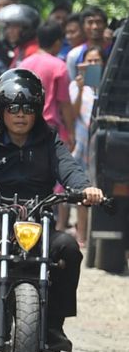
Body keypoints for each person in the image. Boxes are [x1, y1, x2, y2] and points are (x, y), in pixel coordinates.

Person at [0, 68, 104, 352]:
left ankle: (54, 324)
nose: (20, 114)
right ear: (2, 110)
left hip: (36, 221)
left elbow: (69, 168)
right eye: (13, 108)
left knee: (68, 248)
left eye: (27, 108)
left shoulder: (50, 139)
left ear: (37, 110)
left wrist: (85, 188)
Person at [19, 21, 76, 150]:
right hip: (48, 129)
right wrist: (71, 132)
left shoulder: (24, 64)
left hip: (25, 126)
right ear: (57, 43)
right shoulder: (59, 66)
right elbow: (64, 103)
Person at [69, 46, 105, 247]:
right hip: (82, 144)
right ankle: (81, 235)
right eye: (89, 61)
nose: (92, 65)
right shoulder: (76, 86)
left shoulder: (107, 86)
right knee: (82, 191)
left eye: (96, 61)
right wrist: (82, 88)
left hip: (100, 145)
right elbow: (73, 114)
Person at [66, 6, 113, 80]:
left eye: (99, 22)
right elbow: (72, 83)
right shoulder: (74, 55)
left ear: (105, 25)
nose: (95, 27)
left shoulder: (116, 50)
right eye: (90, 22)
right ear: (83, 26)